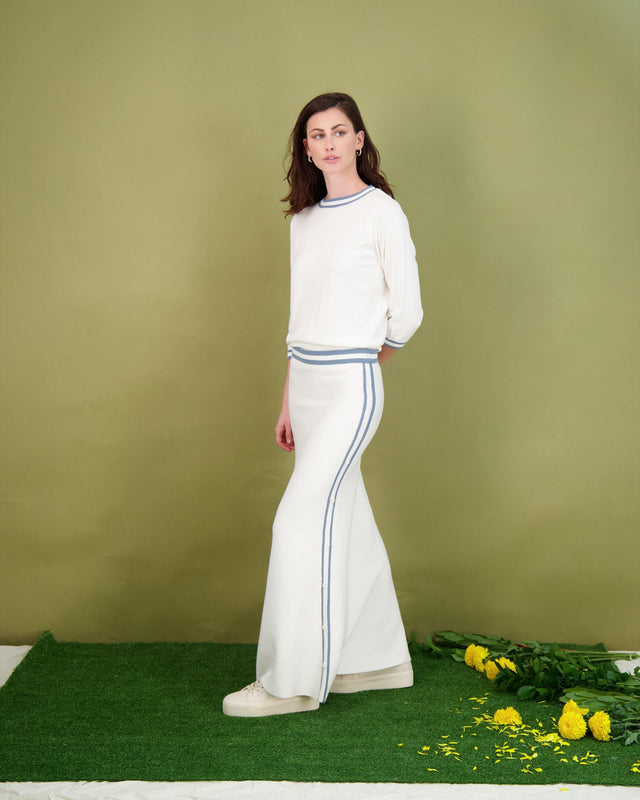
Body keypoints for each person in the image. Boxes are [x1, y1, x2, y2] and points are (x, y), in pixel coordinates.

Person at [222, 92, 423, 717]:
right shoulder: (303, 221)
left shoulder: (382, 212)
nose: (329, 142)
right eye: (317, 134)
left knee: (298, 522)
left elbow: (407, 313)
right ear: (306, 149)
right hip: (305, 388)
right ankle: (377, 662)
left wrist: (362, 361)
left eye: (340, 131)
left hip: (349, 389)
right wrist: (288, 400)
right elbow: (299, 320)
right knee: (346, 515)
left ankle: (291, 684)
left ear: (359, 140)